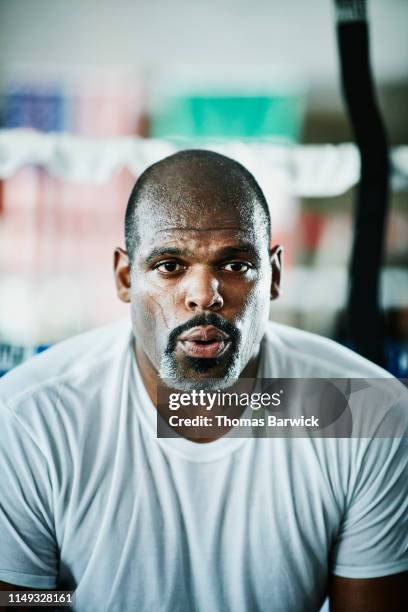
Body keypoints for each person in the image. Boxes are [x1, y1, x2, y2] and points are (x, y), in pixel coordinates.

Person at [0, 150, 407, 612]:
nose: (203, 296)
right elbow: (22, 600)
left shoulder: (361, 408)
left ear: (273, 275)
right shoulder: (31, 417)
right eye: (170, 266)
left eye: (235, 265)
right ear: (125, 276)